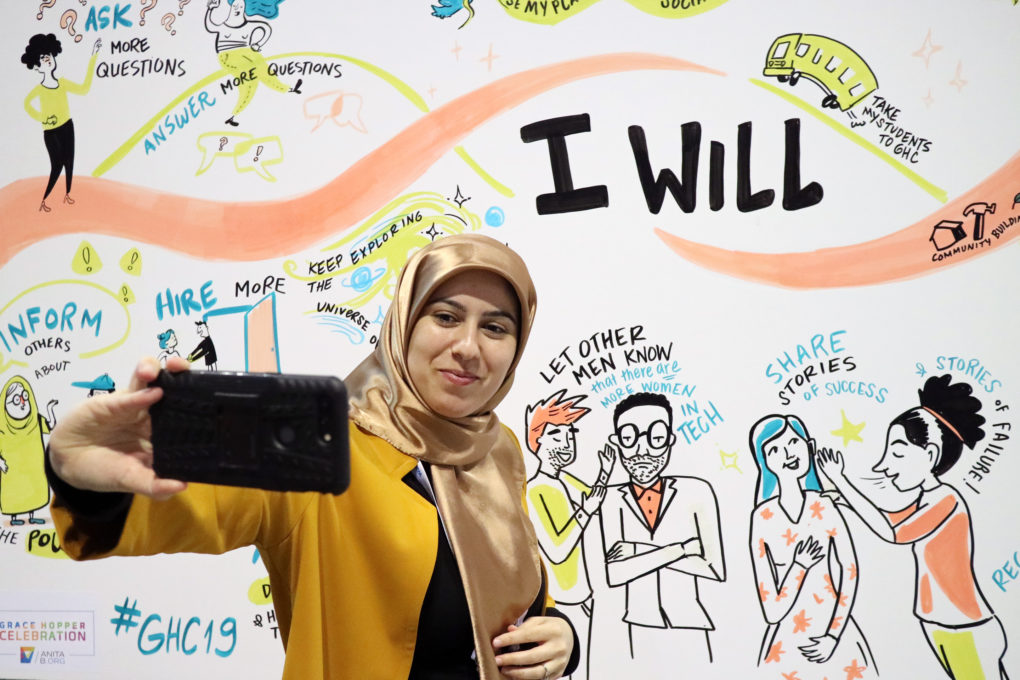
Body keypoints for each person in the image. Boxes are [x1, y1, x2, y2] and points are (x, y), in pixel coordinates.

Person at [46, 234, 578, 679]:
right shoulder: (319, 444)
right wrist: (87, 480)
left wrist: (560, 634)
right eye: (445, 316)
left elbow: (494, 586)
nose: (468, 346)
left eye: (495, 327)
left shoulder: (496, 450)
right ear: (404, 324)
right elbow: (194, 507)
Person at [818, 374, 1008, 680]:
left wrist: (842, 479)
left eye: (897, 452)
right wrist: (843, 501)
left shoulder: (946, 499)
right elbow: (893, 518)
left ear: (930, 455)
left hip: (964, 628)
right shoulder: (926, 499)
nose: (883, 466)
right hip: (941, 625)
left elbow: (895, 534)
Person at [597, 391, 724, 666]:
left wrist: (639, 550)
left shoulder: (697, 491)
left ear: (670, 440)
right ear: (617, 443)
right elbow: (615, 573)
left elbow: (713, 566)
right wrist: (683, 549)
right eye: (630, 439)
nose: (642, 450)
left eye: (655, 438)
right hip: (638, 625)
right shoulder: (609, 498)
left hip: (690, 623)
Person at [748, 413, 875, 678]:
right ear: (765, 462)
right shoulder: (762, 518)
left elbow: (849, 572)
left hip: (835, 635)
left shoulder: (825, 506)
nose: (787, 453)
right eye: (774, 449)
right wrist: (799, 566)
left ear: (810, 446)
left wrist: (833, 635)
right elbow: (772, 610)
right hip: (788, 645)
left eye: (794, 442)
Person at [524, 390, 616, 678]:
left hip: (583, 596)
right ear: (536, 442)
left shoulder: (569, 481)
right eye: (556, 435)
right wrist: (585, 512)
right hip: (557, 604)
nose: (566, 443)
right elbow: (557, 549)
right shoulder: (535, 490)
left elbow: (596, 500)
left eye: (570, 434)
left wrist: (605, 473)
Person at [21, 34, 101, 213]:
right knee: (57, 165)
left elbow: (84, 88)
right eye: (42, 57)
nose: (47, 58)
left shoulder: (62, 83)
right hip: (51, 131)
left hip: (67, 125)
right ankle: (44, 198)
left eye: (49, 54)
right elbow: (27, 104)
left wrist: (93, 57)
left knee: (70, 161)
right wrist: (42, 117)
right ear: (37, 66)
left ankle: (67, 194)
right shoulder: (39, 89)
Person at [205, 0, 302, 127]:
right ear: (231, 7)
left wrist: (259, 44)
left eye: (240, 6)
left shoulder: (249, 25)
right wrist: (210, 9)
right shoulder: (223, 26)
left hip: (247, 52)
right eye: (235, 5)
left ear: (244, 9)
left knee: (263, 68)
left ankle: (286, 88)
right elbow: (210, 26)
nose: (237, 8)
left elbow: (266, 28)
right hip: (228, 55)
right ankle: (233, 115)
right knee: (250, 82)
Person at [0, 376, 58, 526]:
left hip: (34, 468)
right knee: (15, 492)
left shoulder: (35, 421)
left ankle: (32, 515)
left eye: (24, 396)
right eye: (16, 400)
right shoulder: (2, 429)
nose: (22, 403)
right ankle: (14, 517)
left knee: (35, 490)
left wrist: (50, 409)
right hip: (13, 471)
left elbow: (50, 425)